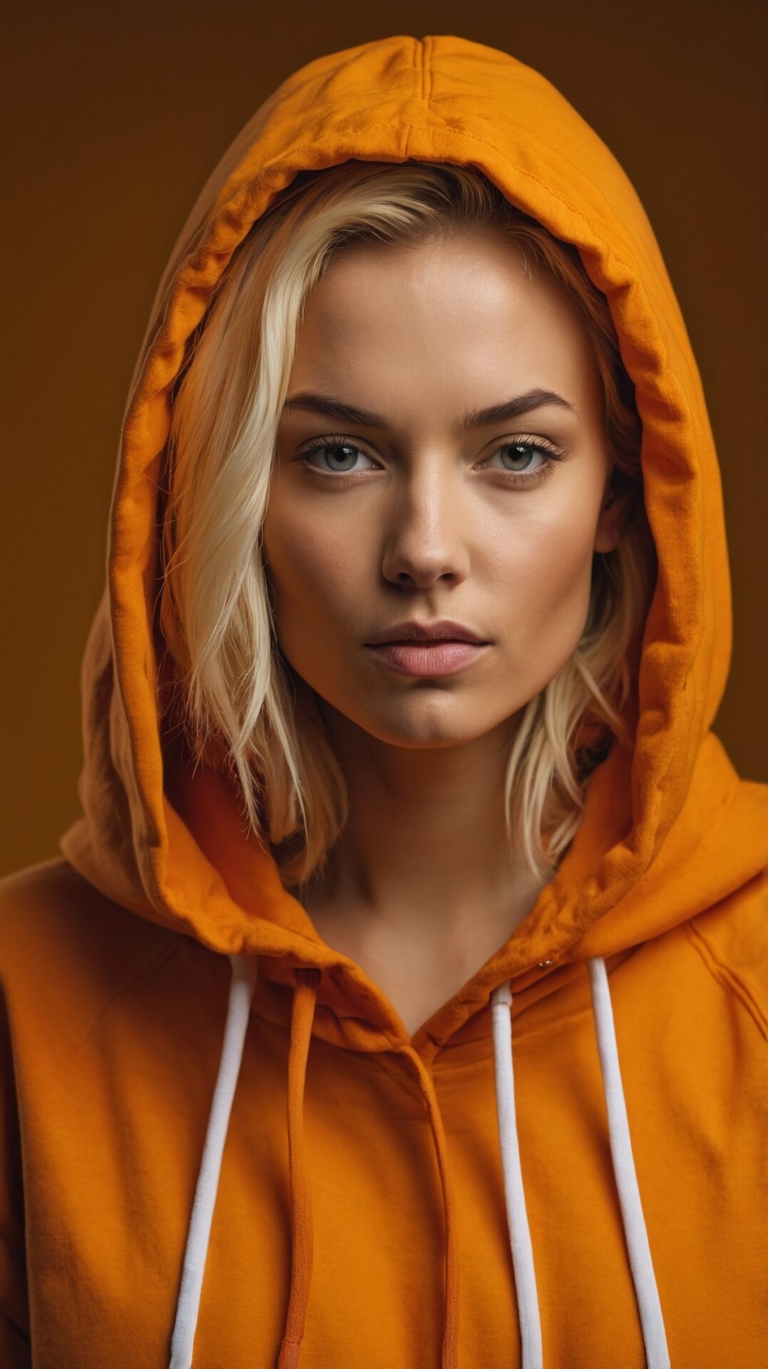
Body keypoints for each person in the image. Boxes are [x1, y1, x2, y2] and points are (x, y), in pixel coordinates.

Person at [0, 32, 766, 1369]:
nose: (424, 545)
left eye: (514, 453)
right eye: (338, 453)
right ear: (232, 492)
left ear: (621, 494)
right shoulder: (23, 997)